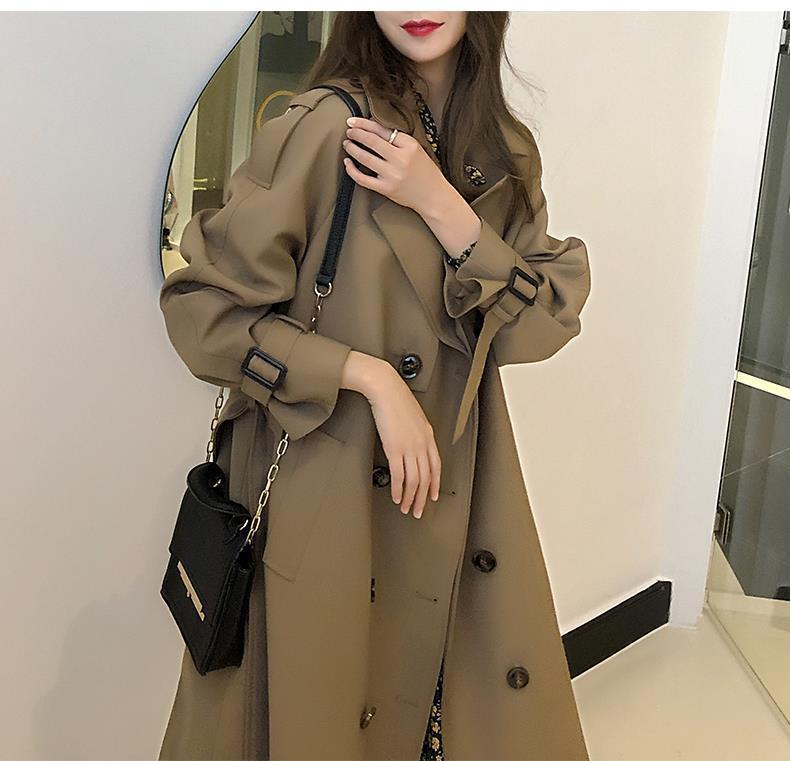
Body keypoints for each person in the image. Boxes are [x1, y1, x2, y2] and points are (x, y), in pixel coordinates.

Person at [158, 11, 591, 761]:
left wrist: (440, 204)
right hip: (328, 491)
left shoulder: (503, 151)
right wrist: (369, 376)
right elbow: (204, 312)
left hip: (454, 490)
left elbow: (542, 319)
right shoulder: (326, 127)